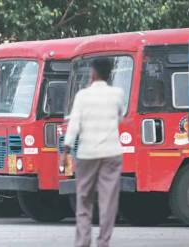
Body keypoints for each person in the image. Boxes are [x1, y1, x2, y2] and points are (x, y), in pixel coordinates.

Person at [61, 58, 124, 247]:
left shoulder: (83, 96)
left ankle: (83, 242)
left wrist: (66, 151)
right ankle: (103, 242)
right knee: (108, 200)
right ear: (109, 74)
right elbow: (120, 118)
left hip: (87, 154)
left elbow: (74, 125)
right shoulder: (117, 94)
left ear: (93, 73)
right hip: (112, 153)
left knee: (84, 199)